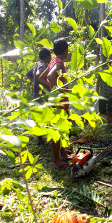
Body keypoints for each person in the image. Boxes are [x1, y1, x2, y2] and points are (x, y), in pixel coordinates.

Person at [39, 39, 71, 167]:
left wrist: (53, 86)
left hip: (55, 99)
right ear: (65, 51)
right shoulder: (59, 62)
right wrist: (61, 88)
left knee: (61, 128)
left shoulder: (52, 60)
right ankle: (57, 160)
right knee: (57, 130)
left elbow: (41, 77)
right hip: (60, 101)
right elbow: (51, 75)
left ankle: (63, 154)